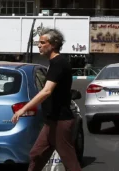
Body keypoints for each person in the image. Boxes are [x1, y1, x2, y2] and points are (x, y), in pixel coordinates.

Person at [11, 28, 83, 171]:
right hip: (51, 121)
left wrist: (23, 109)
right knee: (36, 154)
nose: (39, 45)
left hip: (60, 121)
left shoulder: (59, 63)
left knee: (69, 160)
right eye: (38, 42)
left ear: (53, 44)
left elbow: (47, 91)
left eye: (42, 42)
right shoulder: (54, 63)